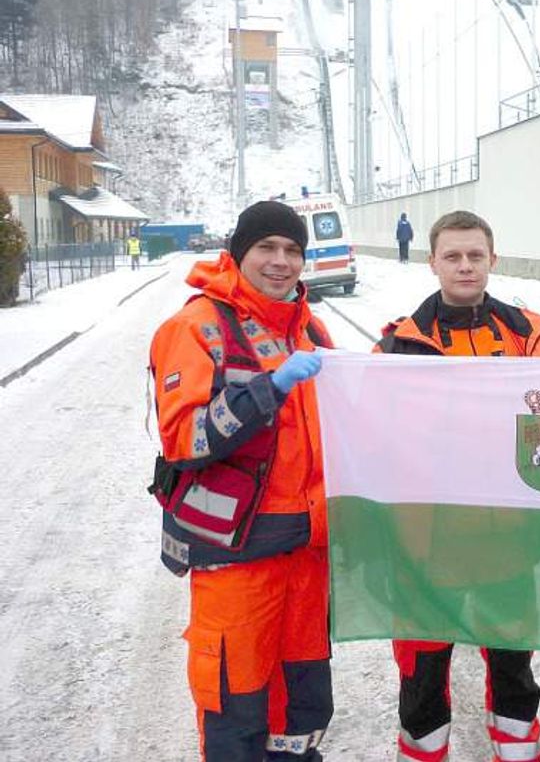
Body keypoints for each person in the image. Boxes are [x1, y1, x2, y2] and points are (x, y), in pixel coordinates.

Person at [149, 200, 334, 761]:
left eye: (293, 250)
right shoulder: (195, 327)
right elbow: (186, 439)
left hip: (306, 557)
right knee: (237, 711)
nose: (281, 262)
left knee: (302, 711)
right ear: (238, 253)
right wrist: (268, 389)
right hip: (237, 560)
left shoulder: (314, 329)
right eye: (266, 248)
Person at [376, 209, 540, 762]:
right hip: (427, 541)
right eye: (452, 256)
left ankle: (518, 746)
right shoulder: (398, 347)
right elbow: (379, 444)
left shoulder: (530, 333)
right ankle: (424, 749)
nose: (465, 266)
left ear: (492, 260)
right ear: (432, 262)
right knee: (424, 663)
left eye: (475, 255)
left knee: (511, 653)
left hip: (508, 533)